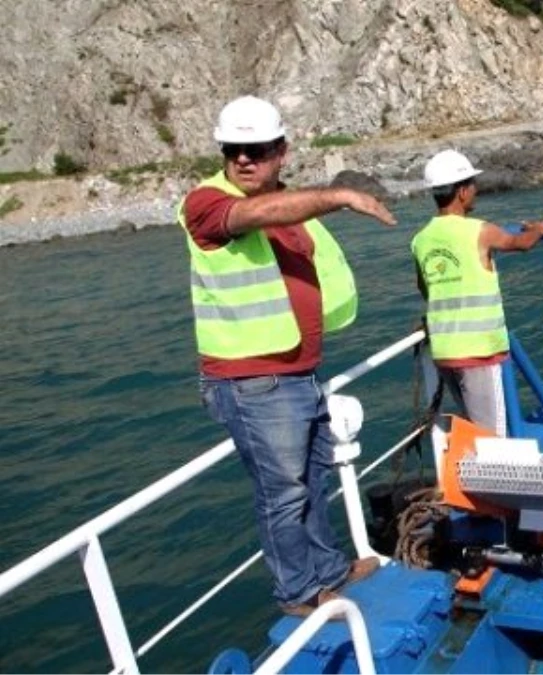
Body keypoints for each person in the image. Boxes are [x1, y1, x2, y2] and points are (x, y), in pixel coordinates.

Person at [180, 95, 397, 617]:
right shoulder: (207, 202)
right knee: (283, 491)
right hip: (253, 379)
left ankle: (330, 571)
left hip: (298, 371)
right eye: (233, 150)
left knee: (312, 478)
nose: (243, 160)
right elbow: (254, 214)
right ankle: (298, 593)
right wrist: (340, 194)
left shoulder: (287, 203)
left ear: (281, 150)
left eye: (255, 149)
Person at [411, 149, 543, 439]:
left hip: (445, 351)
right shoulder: (480, 231)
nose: (476, 191)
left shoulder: (420, 239)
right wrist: (539, 229)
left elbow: (425, 288)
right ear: (462, 192)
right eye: (472, 186)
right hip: (478, 350)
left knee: (472, 428)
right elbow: (520, 243)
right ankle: (491, 484)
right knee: (492, 439)